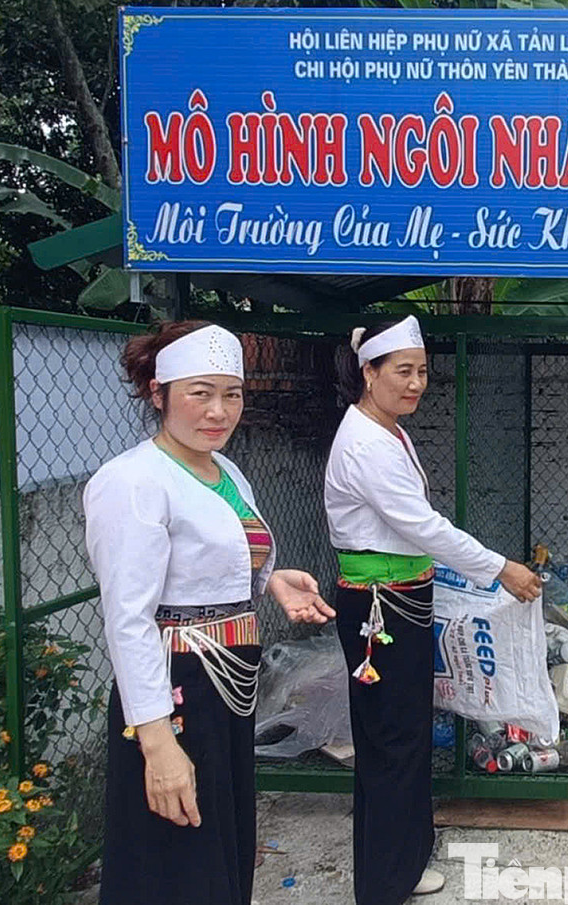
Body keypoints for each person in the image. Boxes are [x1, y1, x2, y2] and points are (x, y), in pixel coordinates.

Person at [84, 321, 334, 905]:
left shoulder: (224, 470)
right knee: (174, 854)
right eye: (200, 393)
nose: (219, 411)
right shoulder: (131, 482)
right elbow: (129, 620)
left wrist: (272, 580)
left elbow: (211, 558)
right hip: (174, 689)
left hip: (227, 682)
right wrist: (158, 741)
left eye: (233, 394)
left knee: (222, 840)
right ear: (158, 392)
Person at [323, 316, 542, 903]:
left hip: (403, 600)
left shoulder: (388, 430)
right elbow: (423, 527)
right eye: (402, 371)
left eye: (422, 372)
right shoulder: (366, 443)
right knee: (392, 741)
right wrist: (500, 568)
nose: (416, 383)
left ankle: (403, 859)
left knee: (406, 734)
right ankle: (385, 883)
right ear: (369, 373)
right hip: (379, 611)